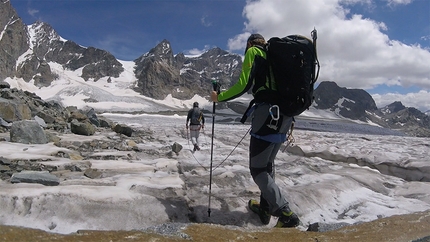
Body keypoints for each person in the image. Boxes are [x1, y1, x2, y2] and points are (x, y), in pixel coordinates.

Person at [210, 34, 300, 228]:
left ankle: (285, 212)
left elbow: (244, 84)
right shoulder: (275, 58)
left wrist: (220, 97)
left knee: (258, 168)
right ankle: (266, 208)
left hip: (267, 114)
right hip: (284, 116)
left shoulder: (254, 52)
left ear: (250, 43)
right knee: (267, 165)